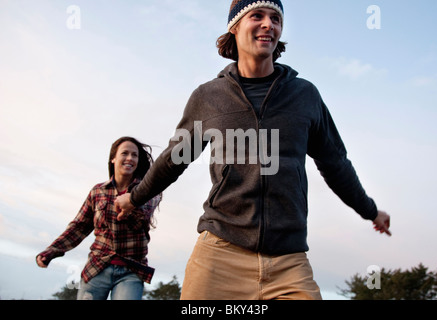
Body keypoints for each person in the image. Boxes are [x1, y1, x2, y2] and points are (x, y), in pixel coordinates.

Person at [115, 0, 391, 300]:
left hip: (288, 261)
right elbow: (173, 160)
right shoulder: (209, 97)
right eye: (257, 16)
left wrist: (371, 211)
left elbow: (336, 164)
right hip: (219, 253)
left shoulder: (305, 95)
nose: (268, 24)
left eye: (275, 18)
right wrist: (134, 198)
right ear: (234, 27)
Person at [36, 137, 162, 300]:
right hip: (97, 267)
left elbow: (143, 214)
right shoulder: (98, 192)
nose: (130, 158)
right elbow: (79, 226)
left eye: (134, 155)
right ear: (113, 158)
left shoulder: (149, 191)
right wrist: (52, 250)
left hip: (131, 271)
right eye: (125, 153)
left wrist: (130, 201)